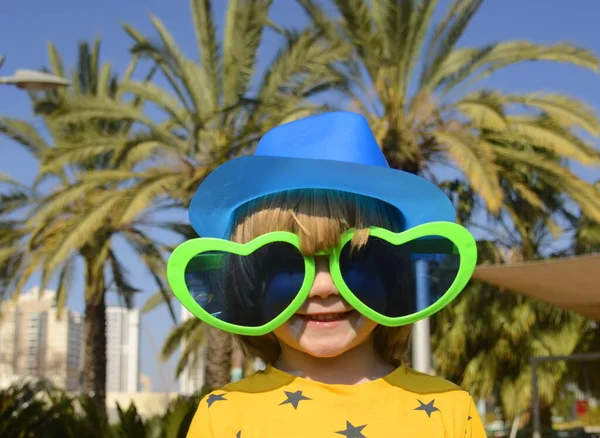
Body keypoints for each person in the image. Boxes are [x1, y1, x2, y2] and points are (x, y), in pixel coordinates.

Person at [168, 111, 486, 437]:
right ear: (251, 284)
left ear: (393, 271)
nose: (324, 286)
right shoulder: (223, 416)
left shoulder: (448, 408)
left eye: (356, 256)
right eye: (286, 262)